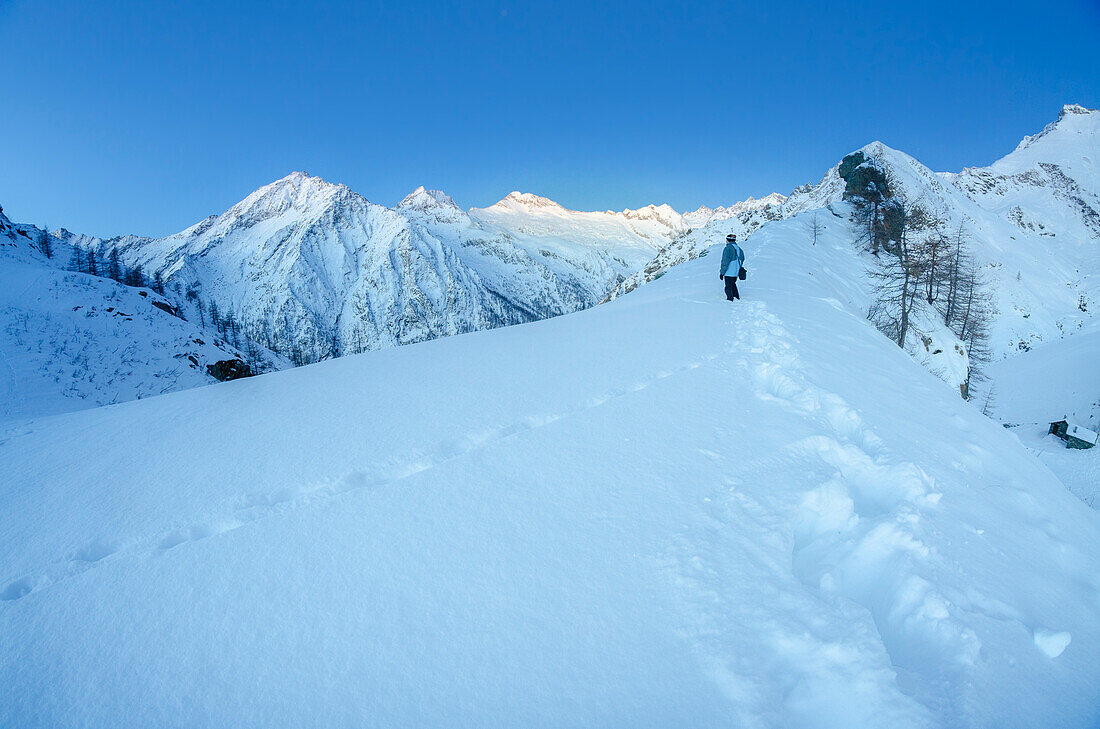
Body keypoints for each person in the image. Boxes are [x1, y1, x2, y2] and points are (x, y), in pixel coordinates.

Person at [719, 233, 745, 301]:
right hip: (736, 272)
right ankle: (736, 297)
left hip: (728, 271)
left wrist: (722, 272)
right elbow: (742, 259)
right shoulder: (739, 249)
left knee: (728, 286)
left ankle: (730, 300)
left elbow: (725, 261)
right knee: (733, 284)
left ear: (728, 240)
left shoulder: (727, 248)